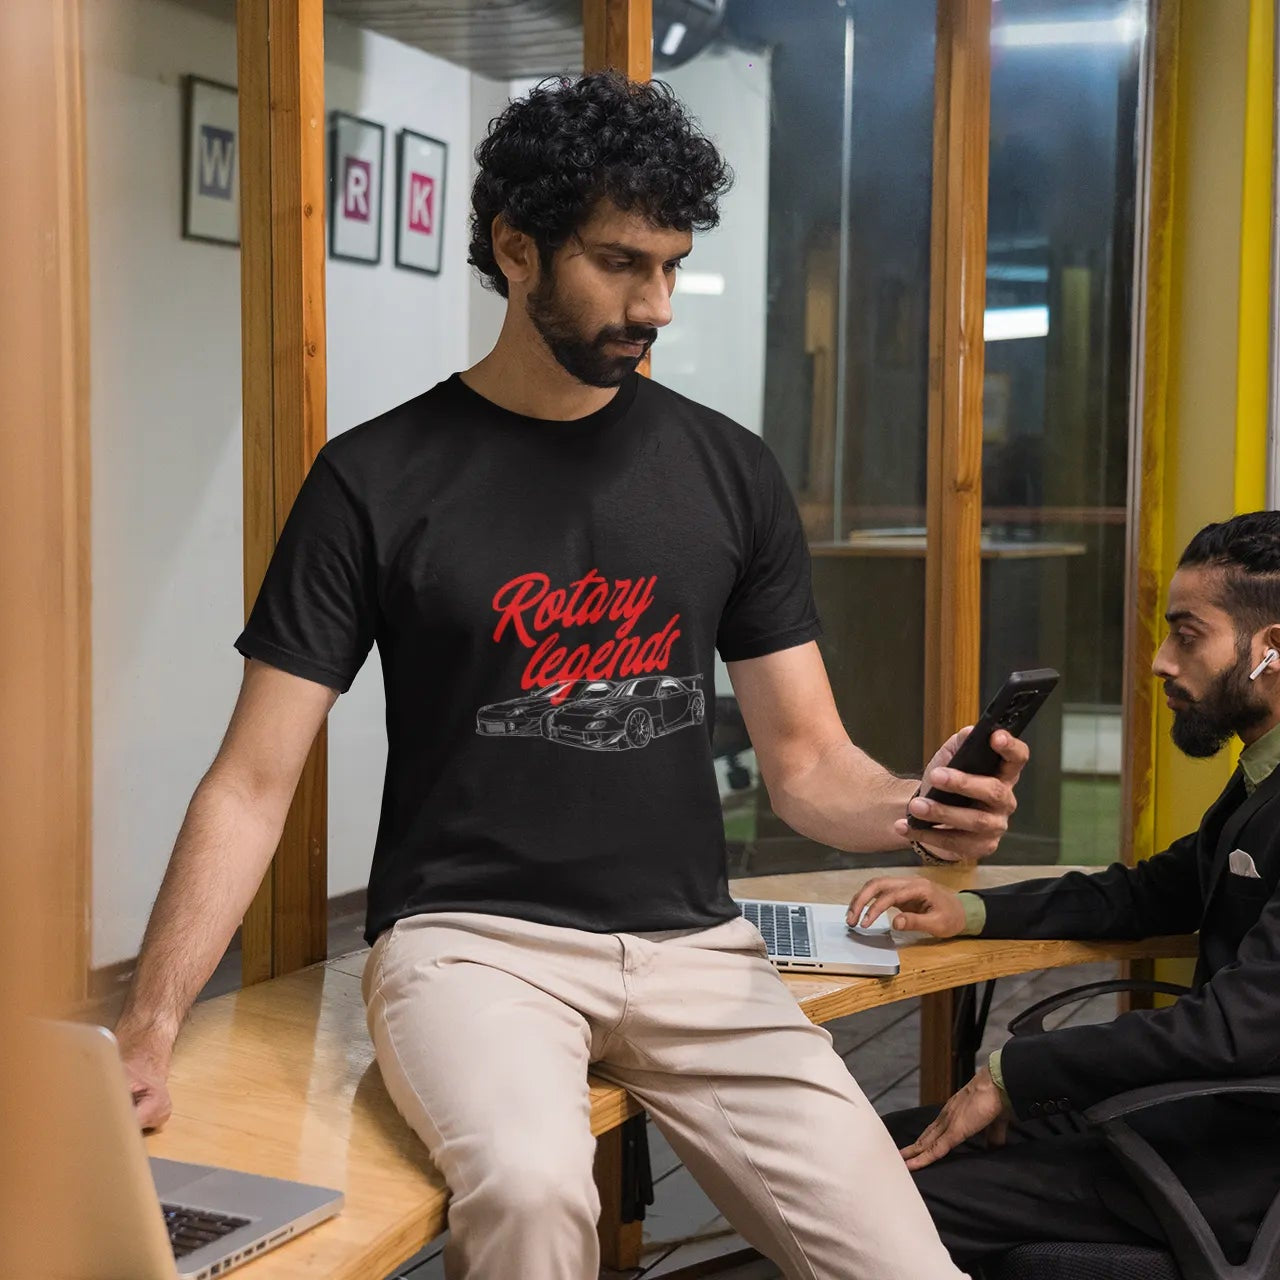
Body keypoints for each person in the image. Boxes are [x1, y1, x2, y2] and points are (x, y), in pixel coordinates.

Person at [114, 72, 1028, 1280]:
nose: (653, 304)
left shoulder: (726, 471)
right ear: (515, 246)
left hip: (699, 949)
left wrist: (917, 803)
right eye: (618, 263)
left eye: (670, 265)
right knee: (534, 1195)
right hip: (469, 943)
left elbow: (808, 766)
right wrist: (149, 1017)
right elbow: (251, 779)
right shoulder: (373, 479)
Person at [851, 511, 1280, 1271]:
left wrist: (1014, 1075)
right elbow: (1149, 892)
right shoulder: (1260, 778)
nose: (1157, 661)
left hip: (1236, 1169)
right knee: (861, 1152)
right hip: (1183, 1117)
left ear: (1269, 650)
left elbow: (1232, 1031)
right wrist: (969, 910)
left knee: (867, 1199)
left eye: (1186, 634)